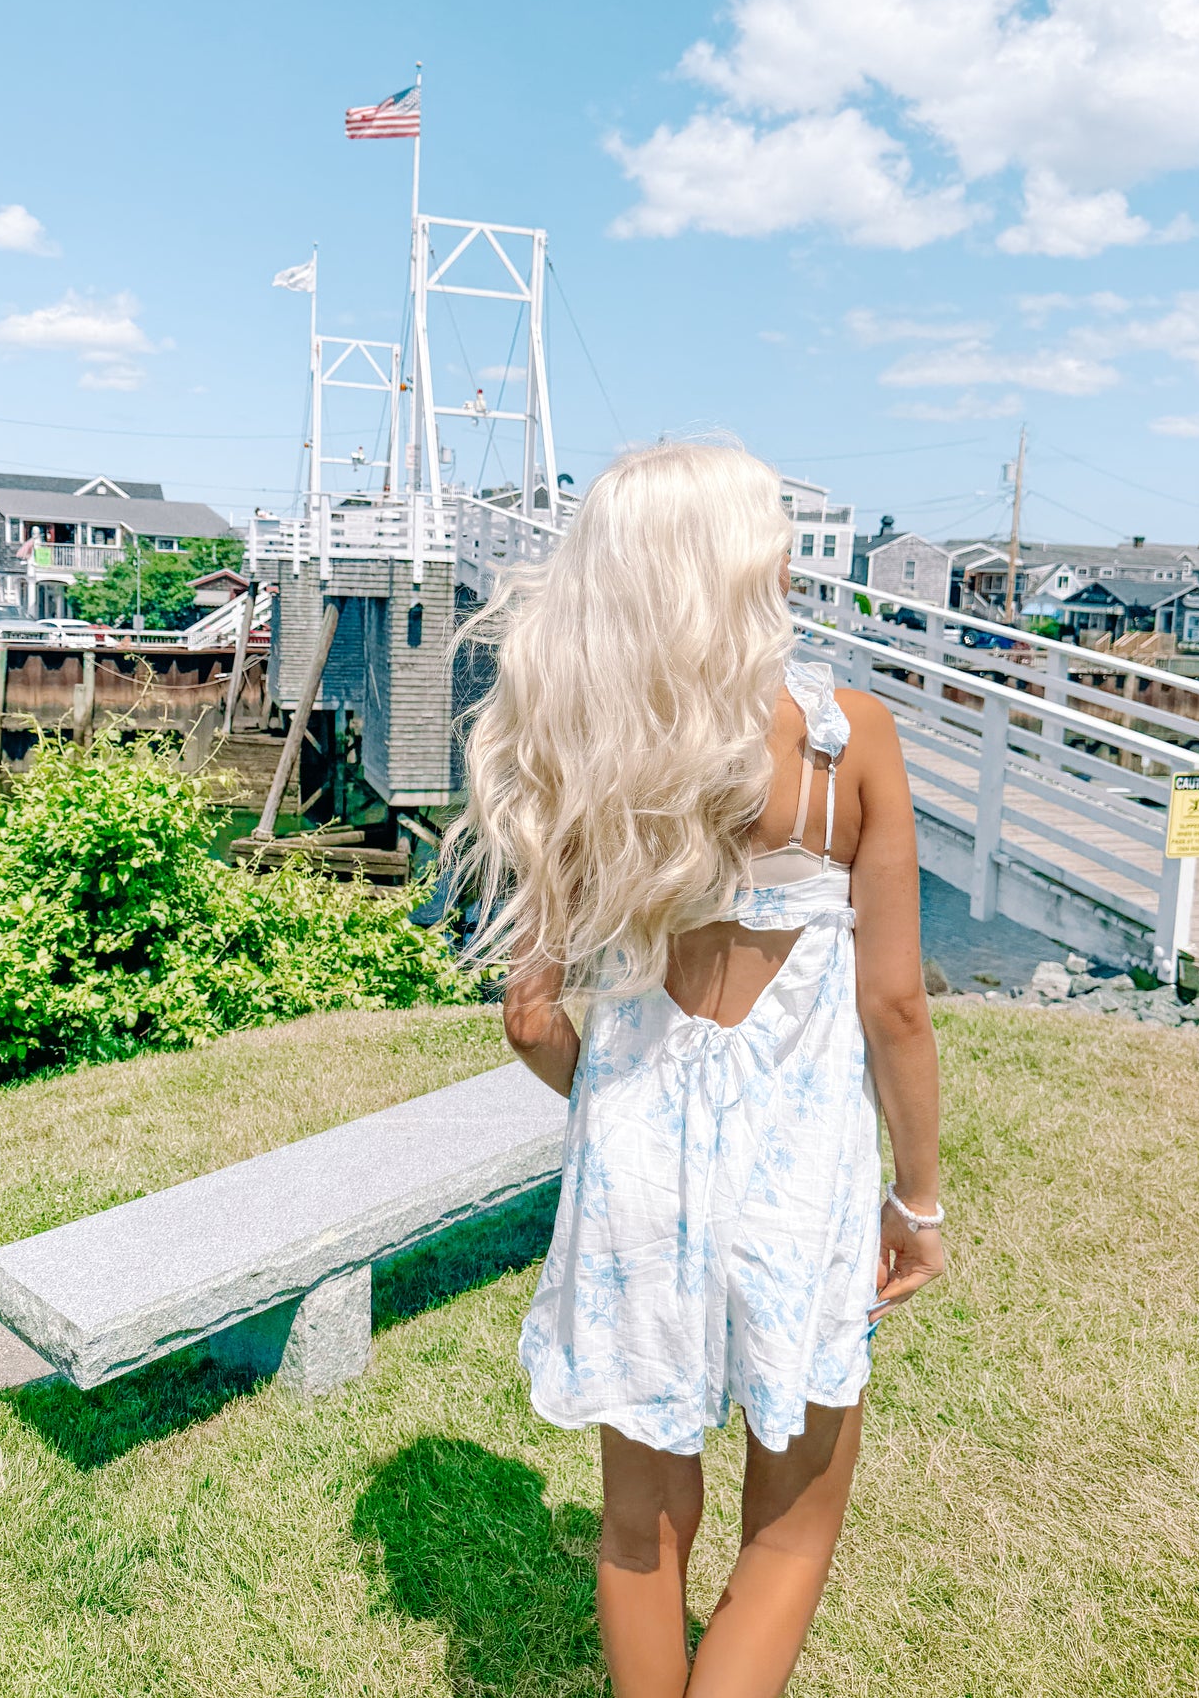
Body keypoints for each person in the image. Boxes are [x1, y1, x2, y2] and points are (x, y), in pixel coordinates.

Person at [447, 440, 944, 1696]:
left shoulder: (587, 752)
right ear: (743, 560)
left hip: (633, 1171)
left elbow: (528, 1018)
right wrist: (918, 1200)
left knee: (637, 1521)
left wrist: (618, 1102)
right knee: (789, 1522)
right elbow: (892, 1004)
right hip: (801, 1176)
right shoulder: (846, 742)